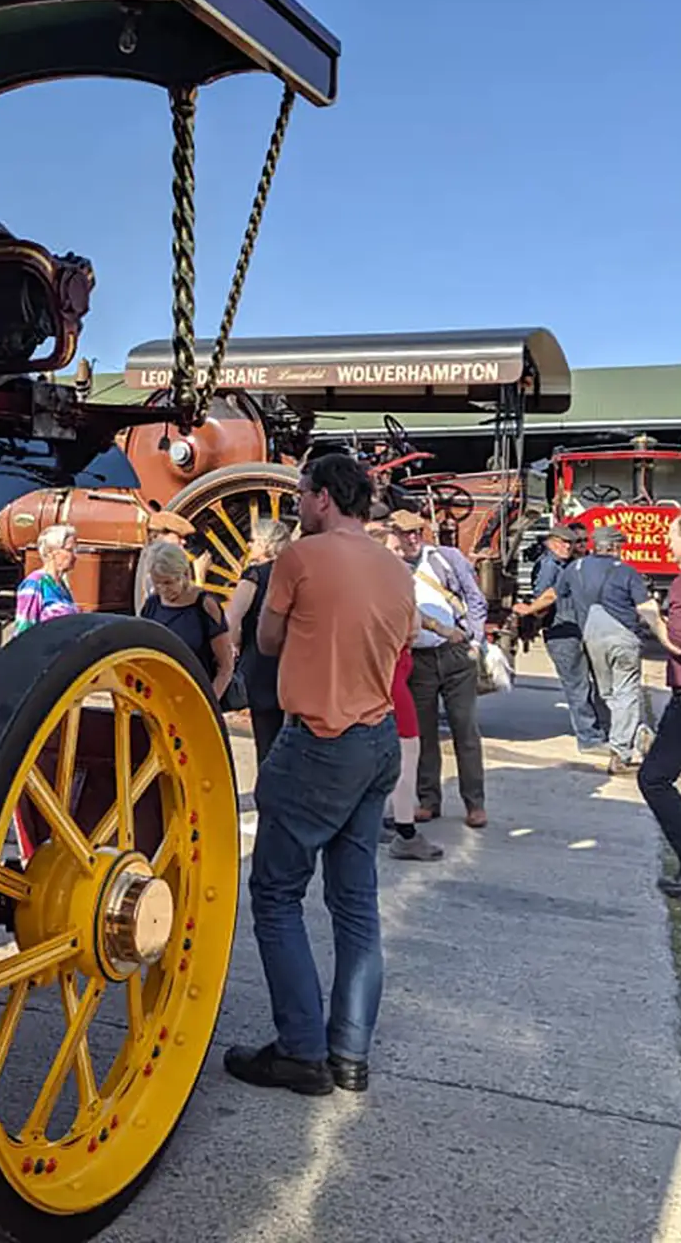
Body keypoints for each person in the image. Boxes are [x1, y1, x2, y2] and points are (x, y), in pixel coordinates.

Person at [224, 453, 412, 1097]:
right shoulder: (397, 568)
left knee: (276, 893)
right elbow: (401, 642)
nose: (296, 506)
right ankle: (350, 1054)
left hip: (320, 738)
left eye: (301, 494)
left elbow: (269, 643)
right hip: (377, 738)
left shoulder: (299, 559)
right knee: (356, 903)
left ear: (326, 497)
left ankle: (301, 1050)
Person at [389, 508, 489, 828]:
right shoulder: (388, 567)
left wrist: (475, 639)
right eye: (406, 533)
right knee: (423, 734)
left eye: (417, 530)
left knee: (466, 729)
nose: (413, 537)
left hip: (455, 653)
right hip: (418, 659)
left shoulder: (446, 557)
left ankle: (475, 803)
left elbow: (475, 599)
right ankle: (429, 799)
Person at [559, 523, 672, 775]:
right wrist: (664, 636)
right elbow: (646, 608)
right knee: (627, 692)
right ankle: (621, 752)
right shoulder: (626, 571)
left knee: (608, 692)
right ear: (614, 547)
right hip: (623, 637)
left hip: (591, 635)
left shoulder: (574, 568)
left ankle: (630, 732)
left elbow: (561, 596)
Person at [367, 523, 444, 863]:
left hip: (374, 673)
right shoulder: (395, 584)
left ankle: (371, 821)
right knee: (407, 748)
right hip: (392, 674)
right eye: (395, 549)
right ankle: (405, 830)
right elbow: (411, 629)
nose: (402, 554)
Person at [639, 511, 681, 896]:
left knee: (654, 778)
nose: (666, 542)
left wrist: (651, 619)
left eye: (670, 536)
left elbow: (679, 644)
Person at [514, 524, 607, 752]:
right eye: (563, 542)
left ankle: (599, 731)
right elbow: (545, 598)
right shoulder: (549, 565)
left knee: (586, 684)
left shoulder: (564, 564)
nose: (568, 546)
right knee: (578, 685)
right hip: (561, 632)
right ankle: (589, 739)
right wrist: (531, 610)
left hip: (573, 629)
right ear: (551, 542)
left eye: (571, 543)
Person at [224, 519, 290, 764]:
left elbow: (232, 618)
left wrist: (235, 648)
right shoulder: (293, 574)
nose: (249, 545)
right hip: (292, 660)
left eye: (253, 540)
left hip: (261, 660)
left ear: (265, 543)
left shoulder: (254, 575)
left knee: (266, 737)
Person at [140, 540, 234, 700]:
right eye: (157, 583)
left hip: (197, 695)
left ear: (184, 575)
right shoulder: (152, 605)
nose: (162, 589)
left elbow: (225, 666)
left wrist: (210, 702)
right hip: (160, 696)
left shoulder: (205, 606)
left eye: (168, 582)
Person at [13, 523, 80, 633]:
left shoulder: (62, 586)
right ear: (50, 552)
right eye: (69, 550)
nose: (75, 555)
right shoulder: (34, 584)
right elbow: (23, 629)